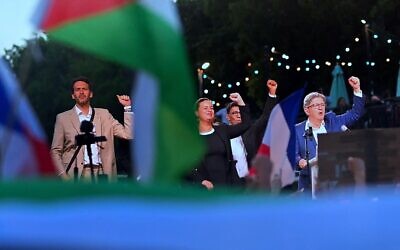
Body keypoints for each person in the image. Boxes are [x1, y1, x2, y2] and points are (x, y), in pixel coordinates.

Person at [50, 77, 133, 181]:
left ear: (91, 94)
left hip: (103, 174)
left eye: (84, 89)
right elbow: (55, 151)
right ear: (72, 95)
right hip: (76, 176)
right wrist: (63, 175)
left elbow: (128, 135)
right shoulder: (63, 118)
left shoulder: (104, 115)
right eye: (77, 89)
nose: (81, 92)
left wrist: (127, 108)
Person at [295, 76, 365, 192]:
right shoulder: (297, 130)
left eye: (322, 104)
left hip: (337, 184)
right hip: (310, 184)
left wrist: (357, 89)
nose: (320, 108)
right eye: (316, 105)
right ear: (307, 110)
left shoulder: (334, 121)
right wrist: (299, 161)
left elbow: (355, 114)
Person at [189, 93, 250, 190]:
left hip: (229, 186)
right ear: (196, 113)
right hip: (208, 190)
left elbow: (245, 125)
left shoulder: (222, 130)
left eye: (211, 108)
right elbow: (186, 164)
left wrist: (240, 101)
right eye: (205, 108)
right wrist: (201, 180)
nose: (210, 110)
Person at [226, 79, 278, 182]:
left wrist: (272, 93)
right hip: (232, 183)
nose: (238, 115)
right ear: (228, 117)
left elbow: (266, 116)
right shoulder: (223, 134)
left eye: (240, 112)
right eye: (234, 113)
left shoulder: (252, 130)